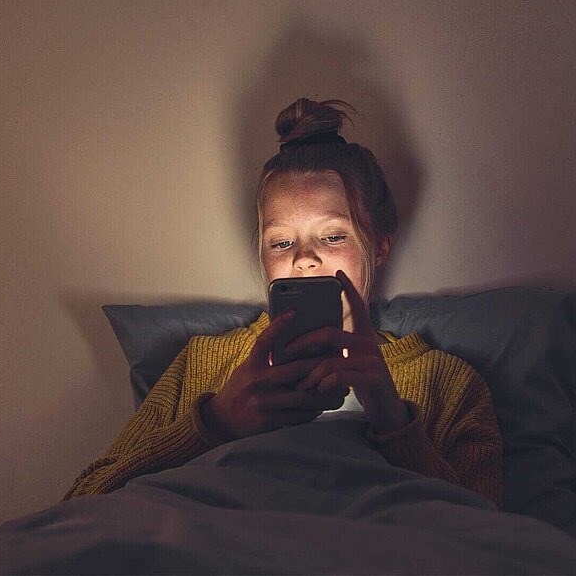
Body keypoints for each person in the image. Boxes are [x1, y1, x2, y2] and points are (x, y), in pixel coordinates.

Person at [64, 98, 503, 507]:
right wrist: (215, 423)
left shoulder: (448, 382)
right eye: (281, 243)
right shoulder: (204, 361)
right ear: (261, 254)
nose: (303, 258)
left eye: (332, 237)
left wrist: (393, 421)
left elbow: (493, 544)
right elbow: (80, 505)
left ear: (379, 247)